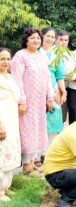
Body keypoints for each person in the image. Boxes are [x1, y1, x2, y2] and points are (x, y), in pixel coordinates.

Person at [11, 27, 53, 175]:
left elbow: (47, 78)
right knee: (26, 131)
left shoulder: (41, 56)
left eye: (38, 38)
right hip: (26, 102)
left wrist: (50, 97)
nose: (36, 40)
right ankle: (26, 165)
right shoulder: (20, 56)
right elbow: (16, 79)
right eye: (32, 38)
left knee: (38, 129)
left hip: (39, 102)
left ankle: (33, 162)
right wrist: (22, 101)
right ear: (26, 40)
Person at [0, 47, 21, 202]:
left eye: (8, 59)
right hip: (2, 121)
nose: (6, 62)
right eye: (2, 59)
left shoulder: (10, 77)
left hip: (12, 120)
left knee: (10, 152)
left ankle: (6, 186)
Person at [40, 27, 67, 144]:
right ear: (42, 36)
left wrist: (63, 91)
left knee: (54, 118)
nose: (50, 39)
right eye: (48, 36)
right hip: (39, 90)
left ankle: (50, 151)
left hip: (54, 90)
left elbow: (59, 75)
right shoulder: (36, 52)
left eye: (52, 37)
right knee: (41, 119)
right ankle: (39, 154)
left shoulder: (56, 54)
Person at [55, 30, 70, 123]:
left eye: (66, 40)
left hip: (67, 88)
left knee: (62, 116)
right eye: (61, 39)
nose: (63, 42)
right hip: (54, 88)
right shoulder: (51, 52)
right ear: (56, 39)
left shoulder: (69, 54)